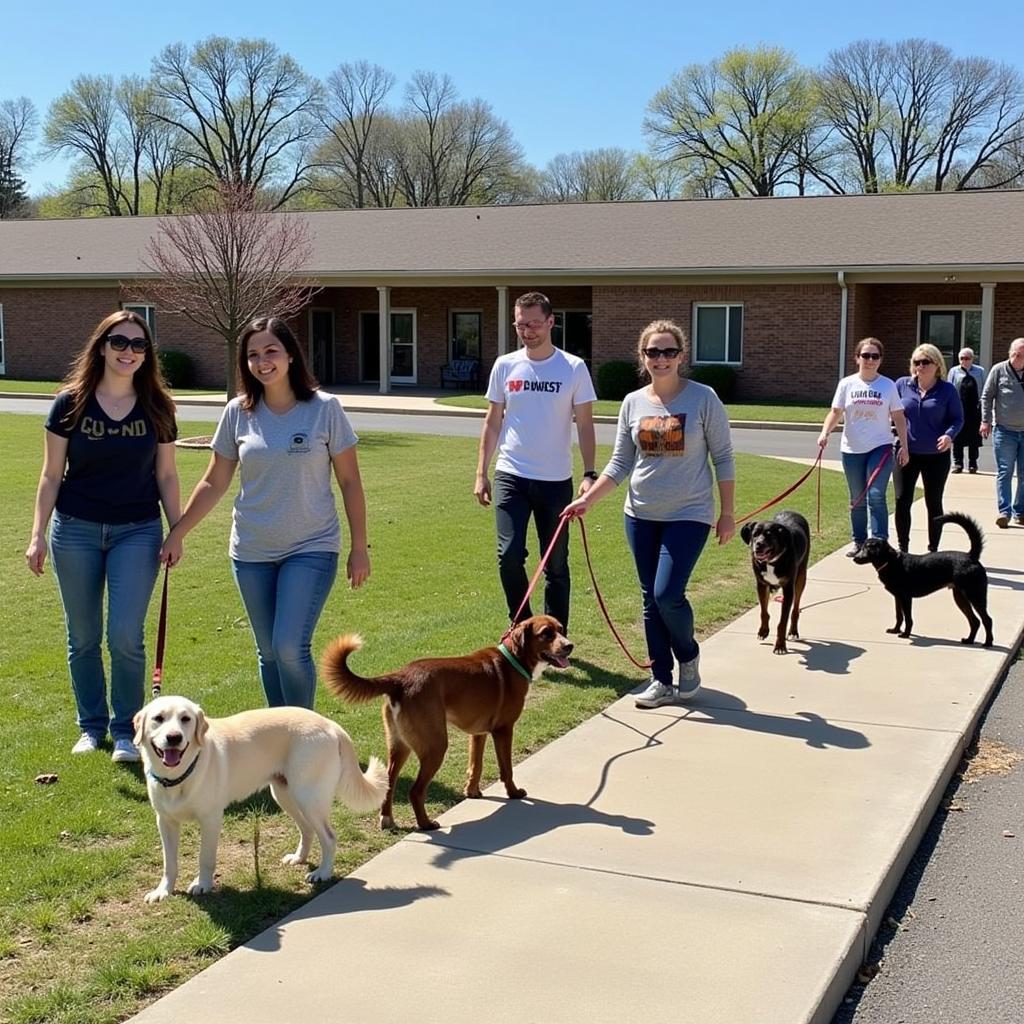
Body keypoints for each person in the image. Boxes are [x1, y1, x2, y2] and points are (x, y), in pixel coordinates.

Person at [160, 316, 369, 709]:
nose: (262, 361)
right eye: (253, 354)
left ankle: (303, 739)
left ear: (290, 355)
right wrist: (178, 531)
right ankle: (278, 740)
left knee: (289, 645)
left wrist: (360, 547)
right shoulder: (238, 412)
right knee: (268, 651)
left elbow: (350, 482)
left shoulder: (325, 409)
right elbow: (214, 482)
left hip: (311, 546)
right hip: (251, 551)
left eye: (271, 351)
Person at [25, 311, 181, 762]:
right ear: (101, 345)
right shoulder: (70, 403)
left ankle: (128, 729)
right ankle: (91, 728)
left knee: (126, 635)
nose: (128, 351)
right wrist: (37, 535)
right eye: (119, 342)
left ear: (147, 353)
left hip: (138, 530)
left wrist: (177, 530)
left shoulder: (158, 406)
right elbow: (51, 475)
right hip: (75, 529)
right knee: (84, 636)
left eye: (138, 344)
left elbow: (167, 475)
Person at [562, 319, 735, 708]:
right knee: (649, 599)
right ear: (643, 357)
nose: (661, 359)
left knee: (667, 594)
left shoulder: (703, 398)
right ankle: (661, 680)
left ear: (681, 356)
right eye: (653, 352)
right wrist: (589, 498)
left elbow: (723, 458)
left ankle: (687, 655)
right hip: (640, 514)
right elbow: (621, 464)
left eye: (669, 351)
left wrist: (727, 514)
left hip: (690, 513)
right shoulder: (633, 402)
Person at [474, 291, 597, 632]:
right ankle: (523, 626)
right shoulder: (505, 365)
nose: (527, 331)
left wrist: (589, 474)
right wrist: (481, 473)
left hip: (556, 481)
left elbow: (585, 424)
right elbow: (493, 421)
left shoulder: (573, 367)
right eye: (520, 324)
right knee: (509, 555)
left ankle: (556, 637)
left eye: (533, 323)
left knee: (555, 563)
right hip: (511, 475)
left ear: (550, 322)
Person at [818, 338, 909, 557]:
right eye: (865, 356)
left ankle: (880, 543)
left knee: (876, 494)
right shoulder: (847, 384)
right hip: (851, 449)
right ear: (857, 358)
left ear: (880, 360)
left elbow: (898, 416)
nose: (869, 360)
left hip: (881, 447)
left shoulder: (887, 385)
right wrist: (825, 432)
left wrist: (904, 446)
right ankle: (859, 541)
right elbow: (836, 412)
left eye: (874, 356)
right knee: (856, 497)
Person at [893, 344, 964, 553]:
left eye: (925, 362)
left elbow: (958, 419)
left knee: (933, 502)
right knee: (901, 500)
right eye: (916, 362)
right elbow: (895, 415)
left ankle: (933, 550)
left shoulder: (947, 390)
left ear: (937, 365)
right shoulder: (902, 385)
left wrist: (949, 435)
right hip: (906, 452)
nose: (920, 366)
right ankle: (902, 549)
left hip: (936, 455)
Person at [980, 338, 1024, 529]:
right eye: (1015, 353)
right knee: (1005, 472)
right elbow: (987, 396)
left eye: (1022, 354)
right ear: (1009, 353)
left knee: (1023, 474)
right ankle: (1004, 512)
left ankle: (1020, 512)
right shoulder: (999, 370)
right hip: (1005, 431)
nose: (1018, 357)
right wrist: (985, 420)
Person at [948, 347, 985, 473]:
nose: (964, 361)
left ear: (972, 359)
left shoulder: (980, 371)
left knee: (974, 438)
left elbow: (984, 390)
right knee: (957, 436)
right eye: (961, 358)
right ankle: (958, 463)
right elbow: (949, 389)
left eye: (967, 358)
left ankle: (973, 464)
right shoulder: (954, 371)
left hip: (974, 409)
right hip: (959, 408)